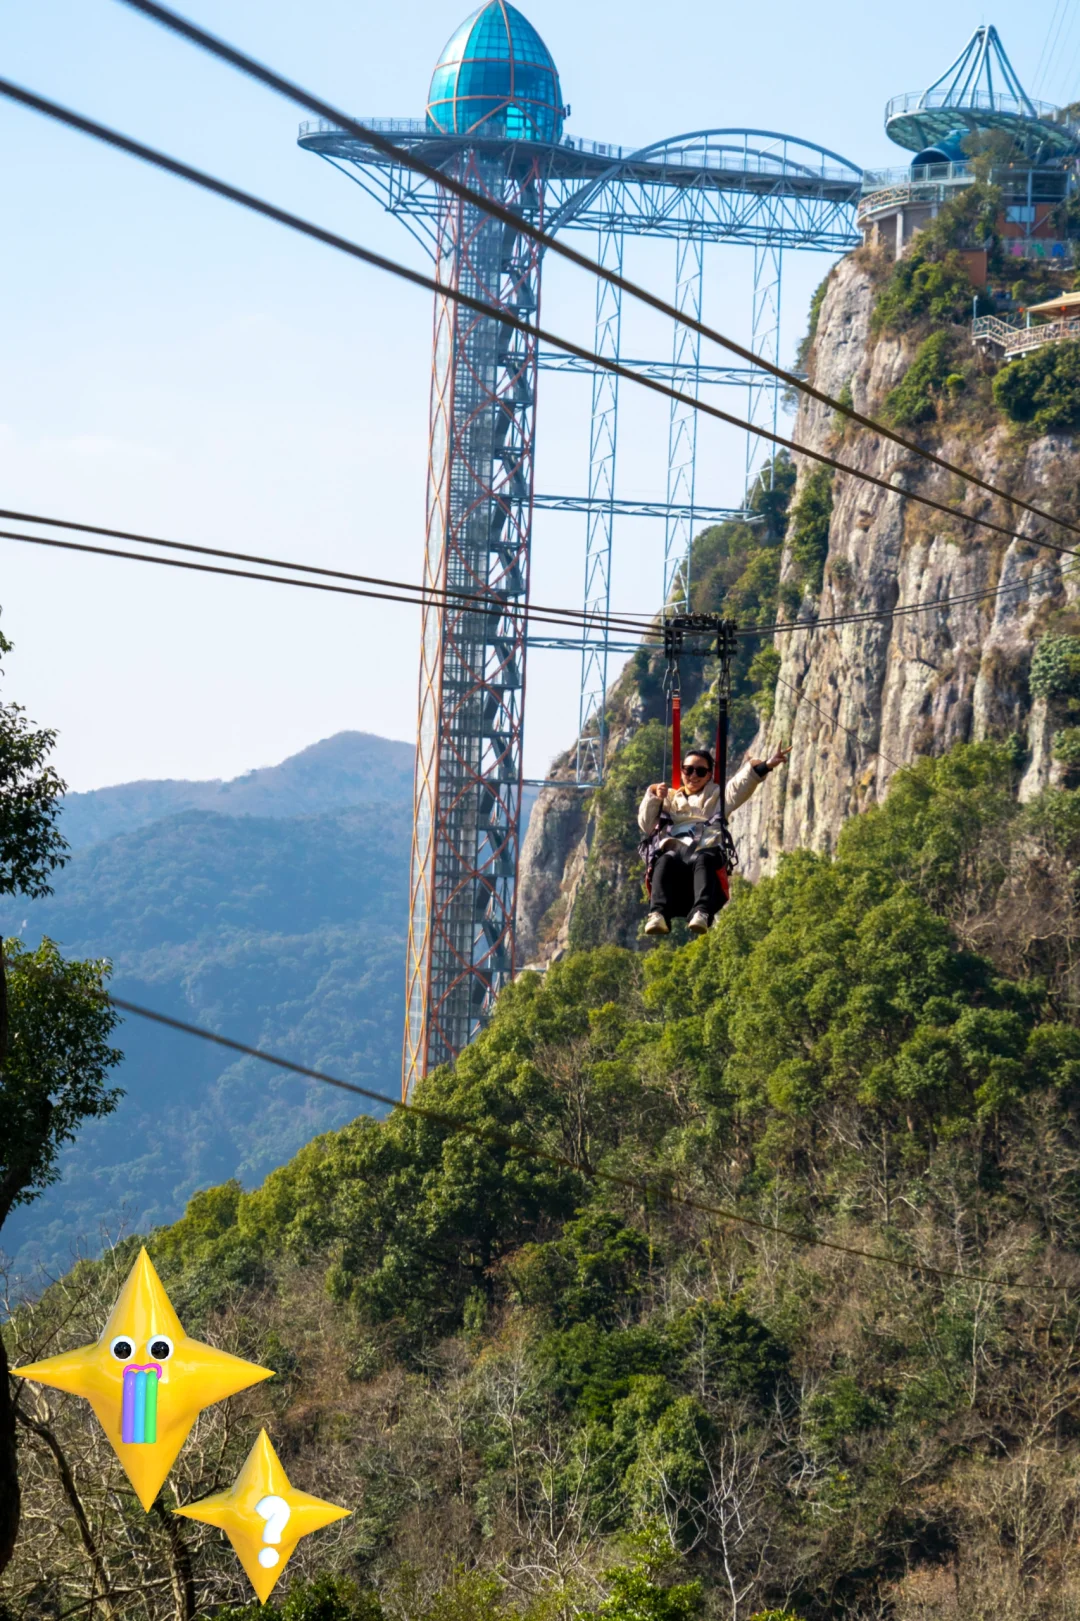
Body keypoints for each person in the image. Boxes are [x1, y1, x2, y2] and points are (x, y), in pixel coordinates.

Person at [637, 744, 790, 937]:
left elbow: (738, 787)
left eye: (700, 771)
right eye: (688, 770)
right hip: (675, 857)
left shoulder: (717, 798)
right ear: (682, 771)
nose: (693, 775)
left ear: (709, 775)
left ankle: (701, 911)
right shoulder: (669, 799)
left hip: (704, 851)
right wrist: (653, 797)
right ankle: (658, 913)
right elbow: (646, 824)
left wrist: (766, 765)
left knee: (704, 858)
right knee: (663, 860)